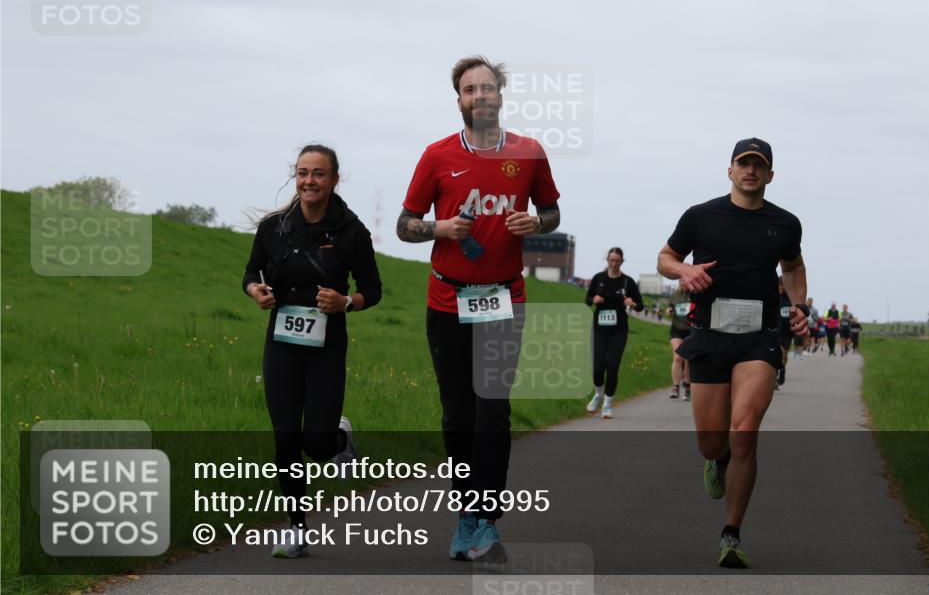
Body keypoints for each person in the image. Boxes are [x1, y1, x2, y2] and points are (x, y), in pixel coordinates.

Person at [396, 56, 561, 563]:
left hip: (503, 299)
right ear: (460, 100)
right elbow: (405, 224)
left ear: (501, 96)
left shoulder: (529, 153)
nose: (480, 96)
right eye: (470, 90)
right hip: (447, 298)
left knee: (493, 412)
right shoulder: (437, 156)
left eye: (488, 88)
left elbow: (552, 212)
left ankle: (485, 519)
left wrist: (536, 224)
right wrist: (438, 229)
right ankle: (467, 513)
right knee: (458, 415)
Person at [657, 137, 809, 568]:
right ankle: (718, 459)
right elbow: (665, 257)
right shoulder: (700, 216)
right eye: (744, 163)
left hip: (760, 338)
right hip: (709, 334)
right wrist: (683, 269)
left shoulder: (785, 223)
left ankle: (731, 533)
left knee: (745, 429)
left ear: (770, 175)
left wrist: (799, 308)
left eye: (759, 165)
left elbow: (793, 267)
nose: (751, 171)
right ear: (730, 170)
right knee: (712, 442)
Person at [243, 144, 382, 558]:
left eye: (319, 174)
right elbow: (251, 272)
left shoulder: (351, 231)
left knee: (316, 444)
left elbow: (372, 290)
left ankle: (339, 437)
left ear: (335, 179)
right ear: (295, 177)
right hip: (281, 343)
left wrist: (346, 303)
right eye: (303, 173)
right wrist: (257, 291)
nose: (309, 181)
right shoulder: (274, 228)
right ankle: (296, 528)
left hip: (326, 346)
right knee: (286, 438)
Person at [585, 248, 644, 418]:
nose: (614, 263)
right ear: (607, 260)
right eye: (611, 260)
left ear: (622, 262)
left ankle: (608, 404)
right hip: (599, 328)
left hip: (619, 329)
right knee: (598, 366)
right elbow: (587, 300)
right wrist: (593, 299)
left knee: (612, 366)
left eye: (617, 261)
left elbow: (640, 306)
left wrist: (632, 303)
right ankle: (598, 394)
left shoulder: (628, 282)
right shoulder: (598, 279)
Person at [668, 281, 693, 401]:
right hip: (676, 329)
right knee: (678, 357)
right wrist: (669, 311)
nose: (684, 283)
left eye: (685, 280)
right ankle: (676, 387)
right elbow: (670, 307)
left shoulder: (694, 293)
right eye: (681, 280)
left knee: (688, 359)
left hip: (691, 330)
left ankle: (687, 386)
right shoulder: (675, 295)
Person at [776, 278, 793, 388]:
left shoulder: (791, 299)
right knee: (777, 354)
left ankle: (782, 369)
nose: (781, 288)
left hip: (787, 331)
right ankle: (775, 377)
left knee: (783, 355)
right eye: (779, 286)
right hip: (775, 330)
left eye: (783, 286)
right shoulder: (773, 297)